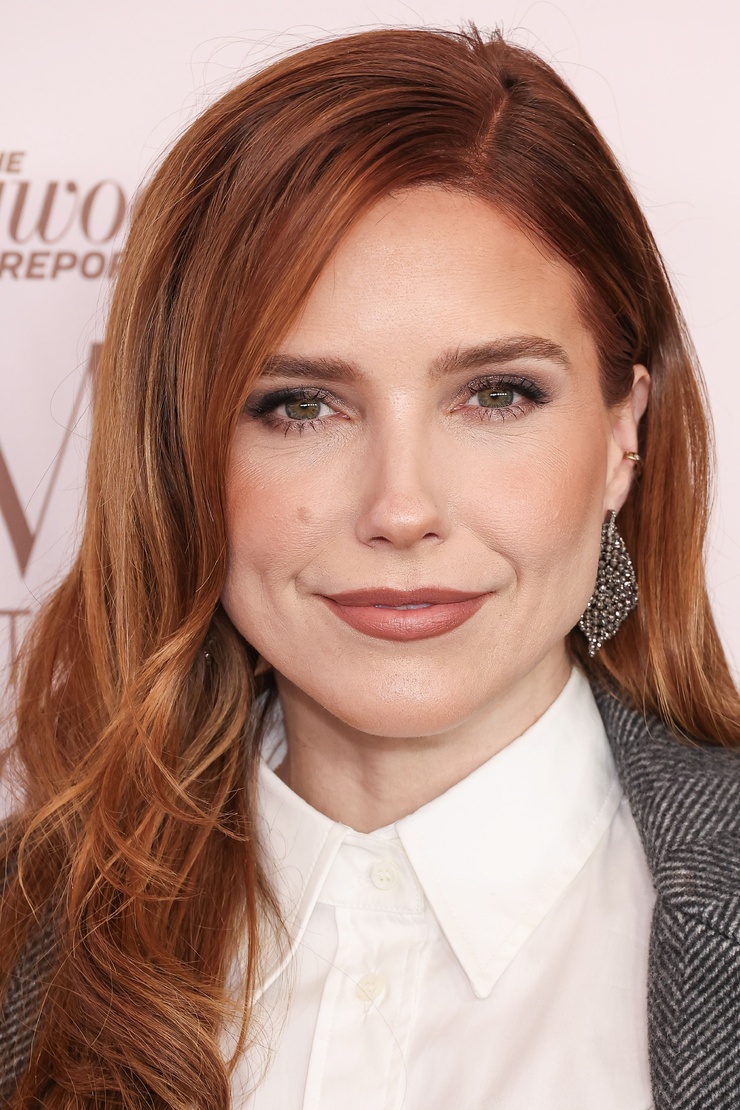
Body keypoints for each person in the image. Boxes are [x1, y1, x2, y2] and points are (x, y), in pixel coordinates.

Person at [1, 22, 739, 1110]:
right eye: (300, 406)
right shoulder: (23, 929)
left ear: (621, 436)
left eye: (497, 394)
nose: (399, 510)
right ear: (182, 452)